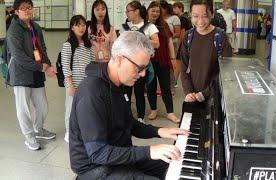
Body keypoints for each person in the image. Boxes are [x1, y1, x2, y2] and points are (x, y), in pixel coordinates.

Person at [69, 31, 189, 179]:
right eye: (140, 68)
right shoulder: (91, 93)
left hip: (118, 155)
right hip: (96, 168)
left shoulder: (117, 83)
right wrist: (149, 151)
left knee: (176, 165)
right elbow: (98, 153)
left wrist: (159, 131)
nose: (143, 74)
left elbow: (128, 123)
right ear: (119, 59)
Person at [6, 0, 56, 150]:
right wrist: (41, 67)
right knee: (23, 109)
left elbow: (42, 48)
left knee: (43, 106)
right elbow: (19, 56)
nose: (27, 10)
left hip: (37, 72)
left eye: (29, 7)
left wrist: (48, 65)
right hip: (21, 74)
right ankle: (29, 137)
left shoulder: (36, 27)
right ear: (16, 11)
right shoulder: (14, 30)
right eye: (23, 8)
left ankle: (38, 129)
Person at [180, 0, 232, 104]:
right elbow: (184, 68)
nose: (200, 21)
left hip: (215, 96)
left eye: (205, 16)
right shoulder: (188, 36)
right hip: (193, 97)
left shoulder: (221, 37)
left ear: (212, 14)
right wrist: (189, 92)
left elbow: (225, 71)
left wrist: (205, 93)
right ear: (190, 14)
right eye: (195, 16)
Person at [121, 0, 160, 123]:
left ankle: (140, 117)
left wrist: (140, 38)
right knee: (126, 91)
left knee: (139, 91)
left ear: (136, 11)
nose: (127, 13)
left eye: (128, 11)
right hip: (127, 65)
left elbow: (156, 44)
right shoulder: (124, 27)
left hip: (141, 66)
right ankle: (126, 116)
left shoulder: (149, 26)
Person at [61, 15, 95, 143]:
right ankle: (69, 132)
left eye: (83, 25)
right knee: (71, 108)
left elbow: (92, 63)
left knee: (85, 108)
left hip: (86, 83)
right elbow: (65, 65)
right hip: (73, 84)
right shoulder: (68, 45)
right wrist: (69, 85)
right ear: (72, 27)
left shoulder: (88, 44)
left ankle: (82, 129)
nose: (81, 27)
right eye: (77, 25)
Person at [146, 1, 180, 123]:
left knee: (166, 87)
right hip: (148, 61)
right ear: (148, 10)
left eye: (157, 11)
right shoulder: (144, 25)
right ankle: (153, 110)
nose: (155, 13)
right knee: (151, 86)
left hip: (163, 60)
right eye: (153, 10)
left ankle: (170, 112)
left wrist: (173, 58)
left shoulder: (164, 25)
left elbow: (170, 42)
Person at [172, 2, 192, 88]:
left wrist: (178, 46)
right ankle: (174, 82)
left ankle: (173, 82)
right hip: (187, 43)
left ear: (180, 8)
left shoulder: (182, 19)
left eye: (175, 8)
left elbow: (182, 34)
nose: (173, 10)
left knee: (178, 63)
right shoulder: (185, 17)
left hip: (183, 44)